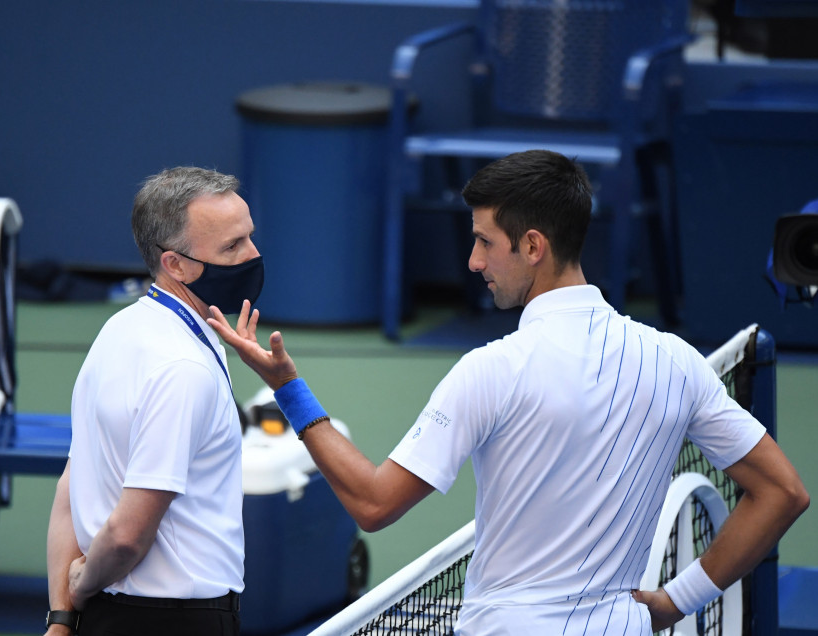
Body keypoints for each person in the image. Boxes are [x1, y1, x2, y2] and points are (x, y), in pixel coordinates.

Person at [207, 149, 809, 634]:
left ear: (533, 246)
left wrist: (287, 387)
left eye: (484, 242)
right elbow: (783, 492)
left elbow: (373, 503)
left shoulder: (490, 370)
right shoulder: (678, 362)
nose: (472, 262)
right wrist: (677, 601)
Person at [44, 167, 262, 636]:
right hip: (177, 623)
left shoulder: (117, 332)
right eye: (232, 247)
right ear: (175, 264)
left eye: (249, 238)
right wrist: (79, 588)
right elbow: (125, 537)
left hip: (106, 615)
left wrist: (62, 617)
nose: (253, 256)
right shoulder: (184, 369)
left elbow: (72, 482)